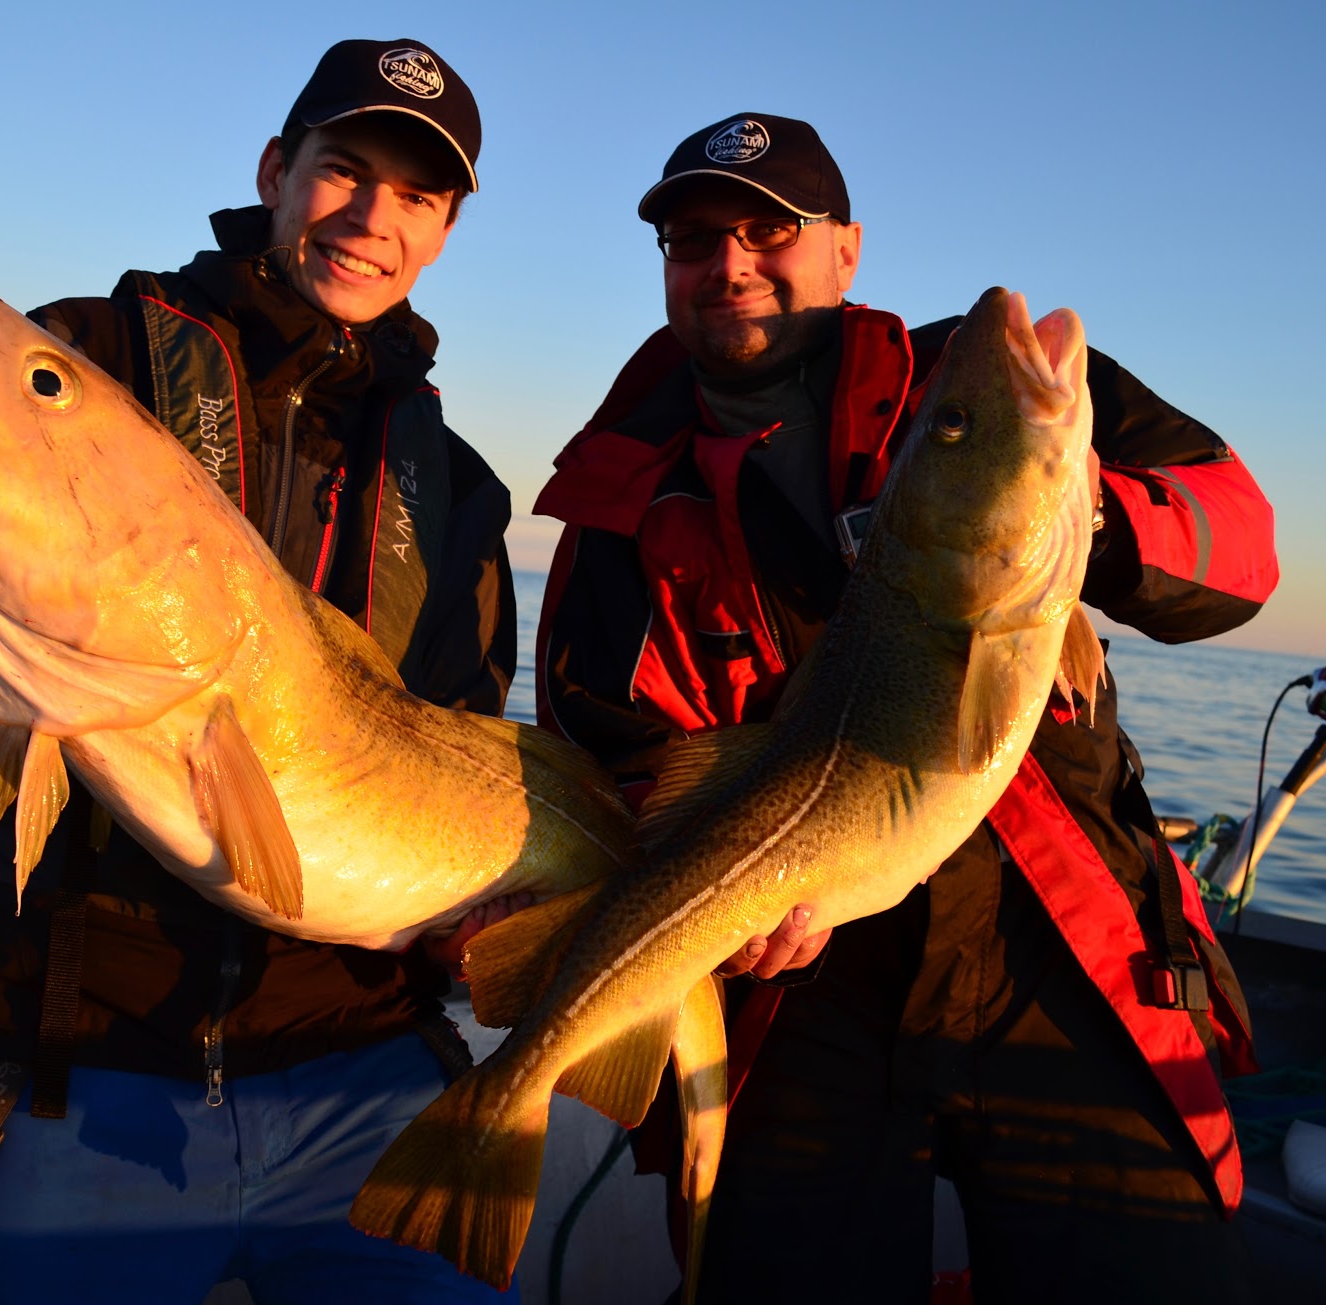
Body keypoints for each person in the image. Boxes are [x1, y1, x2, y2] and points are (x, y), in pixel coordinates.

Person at [534, 112, 1279, 1304]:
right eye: (691, 238)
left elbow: (1242, 554)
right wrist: (731, 908)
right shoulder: (618, 508)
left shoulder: (969, 392)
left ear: (846, 251)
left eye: (769, 229)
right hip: (801, 979)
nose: (728, 262)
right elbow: (617, 759)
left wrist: (1080, 505)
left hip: (1060, 937)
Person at [0, 39, 517, 1304]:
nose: (371, 218)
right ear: (276, 169)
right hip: (66, 1073)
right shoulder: (91, 356)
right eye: (342, 169)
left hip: (362, 1071)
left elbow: (467, 738)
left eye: (416, 195)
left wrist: (487, 926)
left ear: (445, 228)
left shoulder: (461, 486)